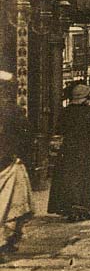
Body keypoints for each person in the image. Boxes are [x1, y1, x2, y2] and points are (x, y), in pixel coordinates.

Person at [48, 83, 90, 221]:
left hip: (67, 150)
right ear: (85, 98)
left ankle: (68, 208)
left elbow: (58, 130)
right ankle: (82, 210)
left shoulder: (65, 111)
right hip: (84, 150)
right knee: (84, 179)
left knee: (68, 179)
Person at [0, 99, 33, 259]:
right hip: (8, 162)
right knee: (9, 205)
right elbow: (26, 135)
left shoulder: (10, 110)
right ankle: (5, 241)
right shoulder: (11, 109)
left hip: (6, 160)